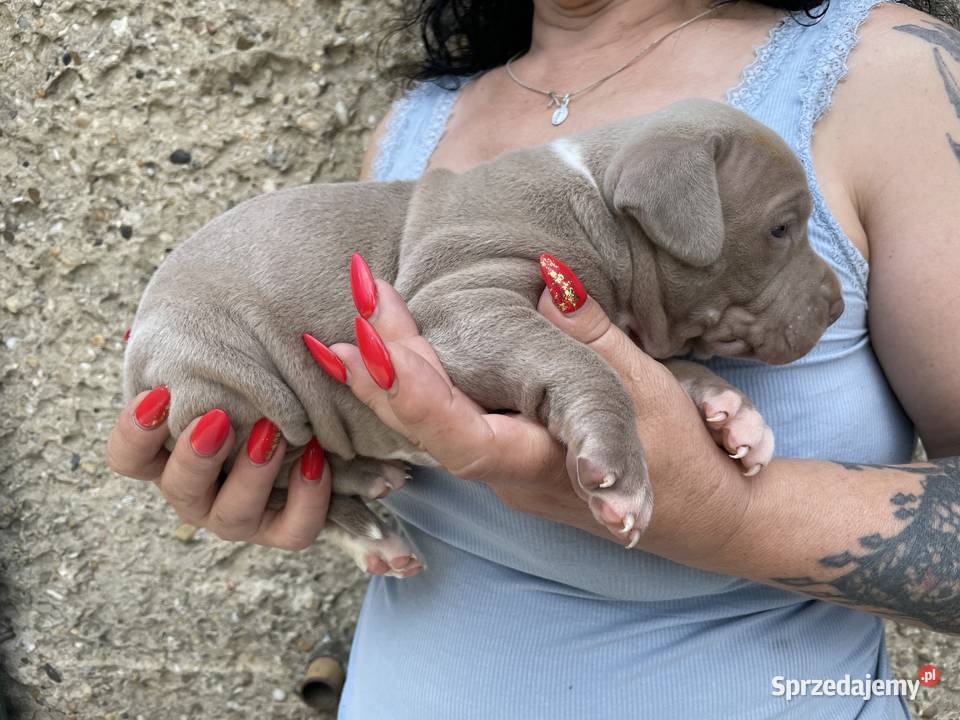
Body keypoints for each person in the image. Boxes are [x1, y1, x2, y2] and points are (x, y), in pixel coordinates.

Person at [106, 0, 960, 716]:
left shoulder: (889, 74)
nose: (821, 287)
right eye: (780, 233)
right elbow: (470, 355)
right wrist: (299, 473)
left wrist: (722, 514)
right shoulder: (419, 120)